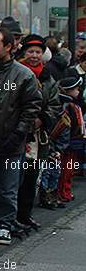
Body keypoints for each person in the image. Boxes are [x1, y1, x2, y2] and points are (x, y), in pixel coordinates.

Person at [0, 28, 41, 246]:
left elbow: (31, 108)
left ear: (9, 47)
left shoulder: (23, 74)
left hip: (12, 143)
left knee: (7, 188)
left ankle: (5, 224)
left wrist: (19, 133)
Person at [16, 35, 61, 231]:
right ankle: (9, 217)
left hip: (37, 136)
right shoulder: (17, 72)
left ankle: (25, 215)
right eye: (31, 51)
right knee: (13, 177)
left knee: (31, 176)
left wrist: (42, 119)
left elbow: (55, 105)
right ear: (24, 52)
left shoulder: (48, 78)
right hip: (16, 133)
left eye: (38, 52)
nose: (34, 55)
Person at [51, 76, 85, 204]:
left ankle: (66, 190)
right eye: (76, 88)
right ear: (68, 90)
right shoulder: (68, 106)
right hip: (69, 143)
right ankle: (62, 193)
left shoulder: (74, 104)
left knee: (70, 170)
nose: (78, 91)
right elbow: (66, 127)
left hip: (74, 142)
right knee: (66, 170)